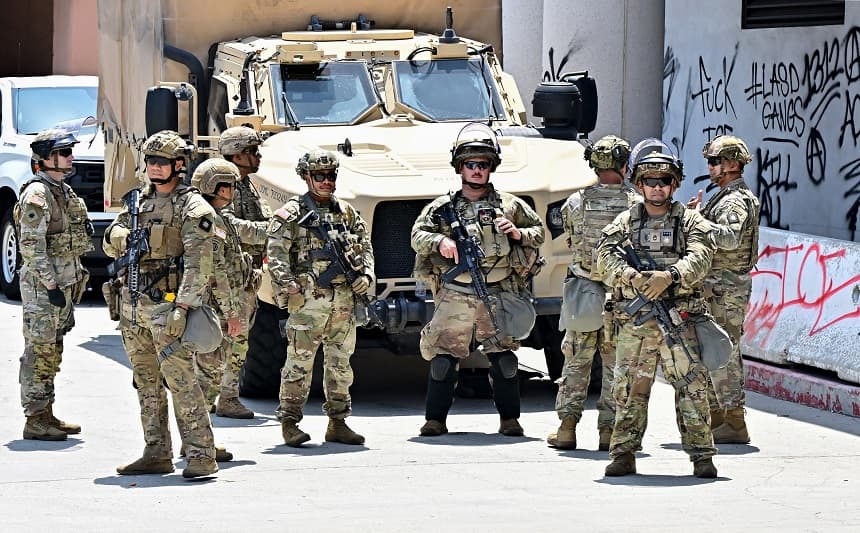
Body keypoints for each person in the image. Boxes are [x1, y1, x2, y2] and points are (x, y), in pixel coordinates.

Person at [411, 123, 545, 437]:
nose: (476, 170)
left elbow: (539, 232)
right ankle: (435, 420)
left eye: (483, 164)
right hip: (456, 293)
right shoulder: (442, 208)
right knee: (443, 361)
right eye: (470, 164)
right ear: (460, 167)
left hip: (498, 292)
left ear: (491, 167)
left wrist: (517, 233)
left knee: (504, 360)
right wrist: (440, 242)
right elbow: (417, 235)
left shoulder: (510, 205)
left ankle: (510, 420)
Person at [103, 130, 220, 479]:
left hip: (167, 308)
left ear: (179, 165)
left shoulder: (192, 207)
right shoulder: (138, 202)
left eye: (162, 162)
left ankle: (201, 453)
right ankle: (156, 451)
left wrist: (182, 308)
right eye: (150, 161)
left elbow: (199, 265)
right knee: (146, 382)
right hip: (133, 307)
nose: (154, 167)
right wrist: (117, 236)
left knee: (181, 381)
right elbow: (110, 240)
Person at [596, 148, 719, 478]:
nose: (657, 187)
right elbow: (604, 256)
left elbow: (702, 255)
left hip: (679, 318)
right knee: (628, 388)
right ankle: (623, 453)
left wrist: (671, 275)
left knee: (692, 387)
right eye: (649, 181)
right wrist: (631, 276)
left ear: (674, 184)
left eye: (664, 181)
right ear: (639, 184)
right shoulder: (626, 222)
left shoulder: (690, 221)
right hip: (637, 323)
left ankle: (702, 455)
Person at [267, 149, 373, 447]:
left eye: (331, 175)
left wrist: (366, 275)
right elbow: (275, 251)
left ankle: (338, 422)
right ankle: (289, 422)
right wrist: (288, 285)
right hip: (308, 304)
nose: (327, 181)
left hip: (343, 303)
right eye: (319, 176)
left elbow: (365, 245)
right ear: (306, 177)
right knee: (298, 365)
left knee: (340, 364)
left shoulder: (346, 212)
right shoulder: (292, 213)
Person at [547, 135, 640, 451]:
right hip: (623, 295)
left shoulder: (575, 202)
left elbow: (571, 240)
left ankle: (566, 429)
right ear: (624, 165)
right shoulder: (637, 205)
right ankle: (608, 432)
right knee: (615, 365)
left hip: (583, 291)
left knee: (576, 361)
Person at [16, 128, 93, 441]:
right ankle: (35, 418)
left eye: (70, 151)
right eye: (63, 153)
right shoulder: (38, 194)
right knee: (39, 352)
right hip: (44, 291)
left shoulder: (62, 190)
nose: (70, 157)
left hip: (61, 286)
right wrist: (50, 286)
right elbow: (31, 246)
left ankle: (46, 413)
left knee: (53, 351)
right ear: (46, 158)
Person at [689, 135, 761, 444]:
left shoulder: (733, 201)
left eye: (714, 161)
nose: (710, 167)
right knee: (714, 349)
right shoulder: (725, 196)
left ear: (732, 164)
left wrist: (697, 221)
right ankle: (718, 416)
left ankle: (734, 421)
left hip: (726, 289)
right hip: (718, 287)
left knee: (724, 351)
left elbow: (730, 238)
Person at [190, 158, 266, 415]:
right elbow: (216, 272)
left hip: (230, 301)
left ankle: (216, 411)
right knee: (210, 365)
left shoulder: (220, 218)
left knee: (225, 358)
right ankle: (197, 426)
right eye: (231, 186)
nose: (234, 191)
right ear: (219, 188)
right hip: (218, 307)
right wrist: (231, 312)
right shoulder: (208, 221)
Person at [214, 126, 273, 418]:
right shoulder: (225, 184)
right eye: (252, 151)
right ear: (237, 155)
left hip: (246, 276)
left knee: (235, 339)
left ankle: (220, 395)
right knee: (232, 340)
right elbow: (226, 225)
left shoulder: (246, 184)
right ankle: (225, 398)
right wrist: (271, 231)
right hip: (231, 278)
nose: (258, 156)